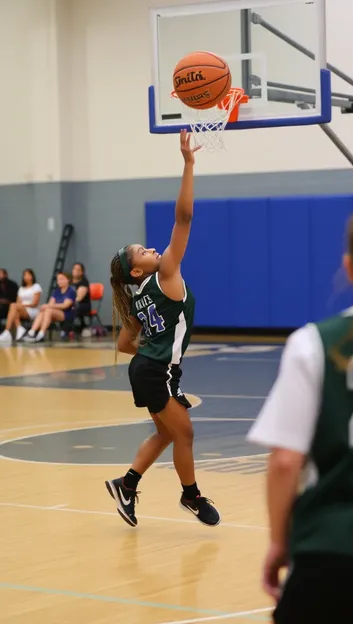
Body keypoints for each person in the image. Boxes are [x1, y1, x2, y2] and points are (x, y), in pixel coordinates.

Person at [247, 199, 353, 624]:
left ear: (351, 267)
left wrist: (278, 541)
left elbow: (285, 461)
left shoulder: (314, 343)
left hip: (331, 559)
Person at [105, 130, 220, 528]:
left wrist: (154, 350)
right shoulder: (166, 273)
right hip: (156, 372)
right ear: (138, 269)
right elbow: (183, 218)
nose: (153, 249)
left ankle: (127, 483)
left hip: (151, 369)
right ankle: (191, 496)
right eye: (144, 251)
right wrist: (189, 164)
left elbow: (124, 343)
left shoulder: (138, 296)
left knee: (170, 434)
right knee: (184, 433)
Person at [23, 272, 76, 343]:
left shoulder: (71, 291)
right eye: (58, 280)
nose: (59, 281)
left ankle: (41, 333)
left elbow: (65, 306)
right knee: (44, 310)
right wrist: (48, 306)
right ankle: (32, 332)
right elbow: (51, 303)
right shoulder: (56, 291)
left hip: (67, 314)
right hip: (54, 312)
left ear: (68, 280)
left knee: (48, 310)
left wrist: (48, 306)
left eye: (61, 279)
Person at [0, 269, 42, 344]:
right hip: (21, 309)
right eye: (25, 275)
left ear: (32, 276)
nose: (26, 277)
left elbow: (35, 303)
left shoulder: (36, 286)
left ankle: (8, 331)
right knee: (13, 308)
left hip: (32, 310)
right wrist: (20, 305)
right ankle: (18, 328)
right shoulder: (21, 288)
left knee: (13, 306)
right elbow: (17, 302)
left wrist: (21, 305)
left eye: (28, 275)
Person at [71, 262, 91, 334]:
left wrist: (67, 303)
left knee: (73, 307)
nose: (76, 271)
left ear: (82, 272)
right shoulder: (69, 282)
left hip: (82, 305)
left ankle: (74, 328)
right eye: (74, 269)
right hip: (70, 303)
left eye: (78, 270)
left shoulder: (84, 282)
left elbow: (79, 298)